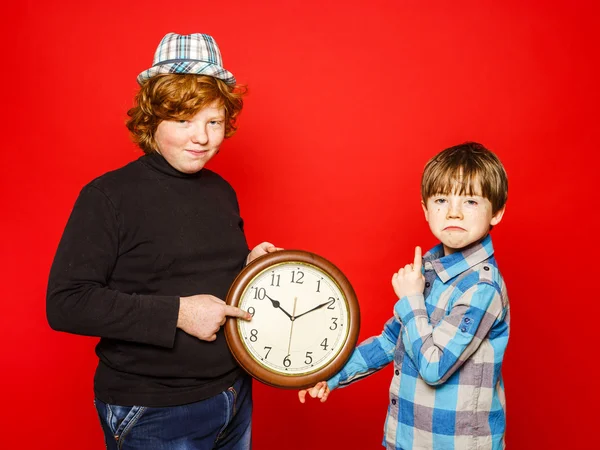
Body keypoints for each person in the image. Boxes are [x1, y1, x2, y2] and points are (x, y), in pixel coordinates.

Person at [47, 32, 279, 450]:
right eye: (183, 120)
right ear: (152, 120)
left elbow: (192, 268)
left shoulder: (221, 190)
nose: (202, 138)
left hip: (234, 393)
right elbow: (66, 303)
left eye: (214, 121)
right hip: (155, 411)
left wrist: (252, 269)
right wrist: (177, 314)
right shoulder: (108, 196)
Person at [299, 142, 510, 450]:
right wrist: (332, 375)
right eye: (441, 199)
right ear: (426, 210)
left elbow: (435, 368)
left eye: (470, 201)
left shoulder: (481, 288)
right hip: (408, 437)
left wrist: (411, 300)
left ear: (497, 212)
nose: (453, 211)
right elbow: (391, 341)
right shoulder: (426, 271)